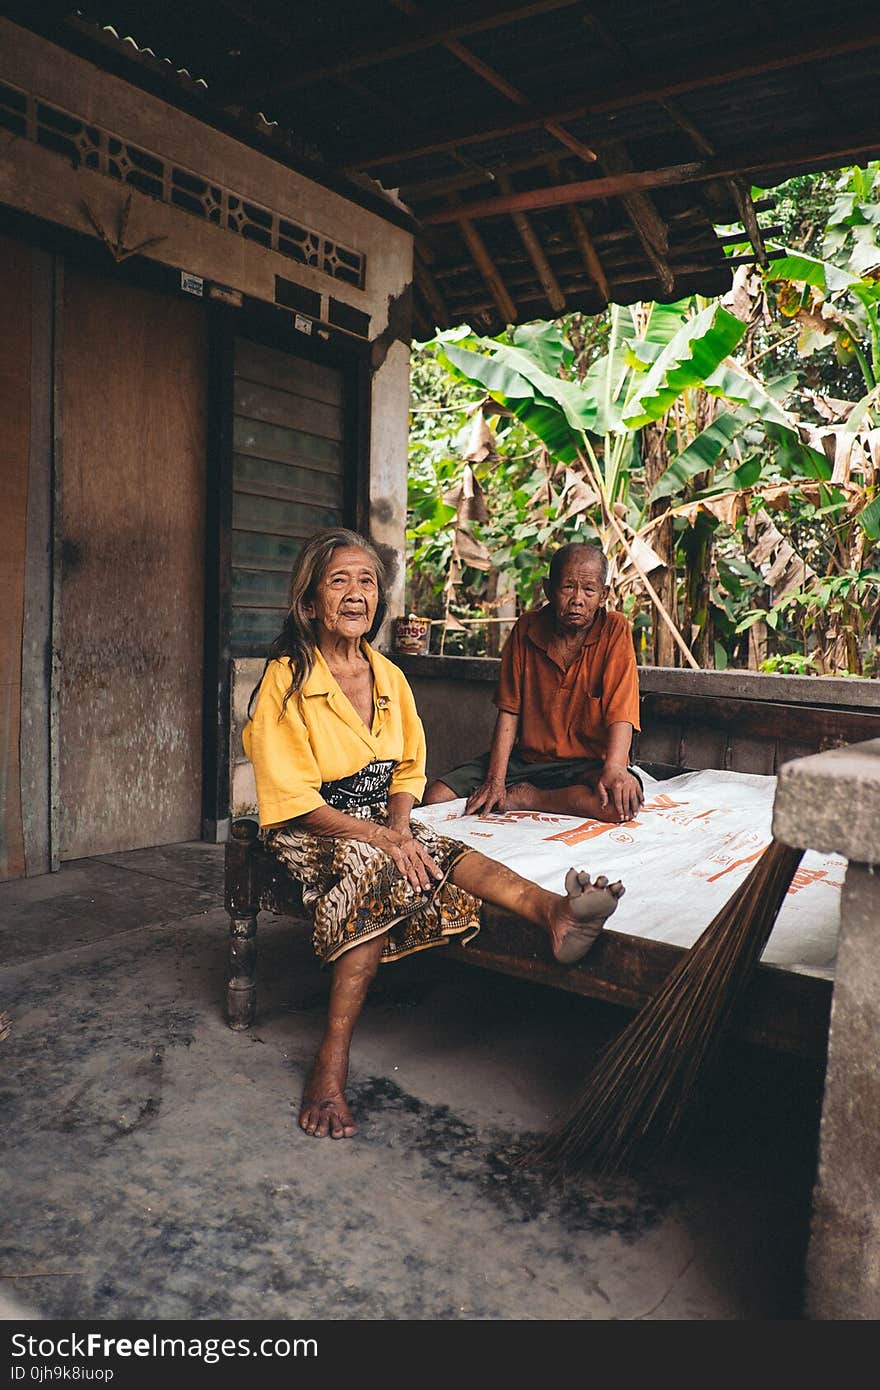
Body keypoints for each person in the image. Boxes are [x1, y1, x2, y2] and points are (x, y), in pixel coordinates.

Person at [243, 528, 625, 1141]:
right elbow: (293, 800)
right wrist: (381, 840)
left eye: (366, 581)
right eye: (338, 581)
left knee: (441, 849)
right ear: (309, 601)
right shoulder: (286, 682)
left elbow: (408, 769)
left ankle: (555, 911)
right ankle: (330, 1063)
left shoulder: (388, 675)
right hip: (311, 826)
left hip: (377, 820)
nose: (355, 594)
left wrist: (398, 825)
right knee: (380, 870)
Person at [423, 542, 644, 823]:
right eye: (568, 587)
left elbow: (621, 711)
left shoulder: (615, 629)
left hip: (588, 764)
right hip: (527, 762)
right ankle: (530, 791)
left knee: (618, 806)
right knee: (435, 798)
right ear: (548, 590)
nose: (578, 599)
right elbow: (509, 711)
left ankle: (530, 797)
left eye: (589, 590)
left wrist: (615, 769)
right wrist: (496, 780)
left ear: (603, 595)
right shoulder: (527, 629)